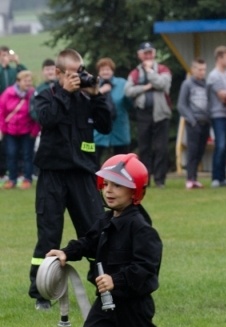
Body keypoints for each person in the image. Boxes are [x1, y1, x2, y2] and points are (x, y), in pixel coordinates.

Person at [45, 154, 210, 327]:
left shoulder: (141, 229)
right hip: (105, 305)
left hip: (133, 308)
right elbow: (89, 242)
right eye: (106, 184)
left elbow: (146, 270)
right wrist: (65, 253)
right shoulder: (107, 220)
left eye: (117, 185)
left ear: (135, 191)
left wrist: (116, 280)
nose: (109, 190)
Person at [29, 48, 111, 310]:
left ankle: (103, 285)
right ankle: (42, 292)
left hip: (83, 175)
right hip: (53, 174)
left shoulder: (87, 99)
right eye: (75, 74)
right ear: (60, 73)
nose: (80, 78)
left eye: (82, 72)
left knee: (97, 231)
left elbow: (106, 125)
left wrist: (97, 95)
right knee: (49, 234)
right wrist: (64, 92)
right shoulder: (46, 96)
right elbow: (46, 119)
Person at [124, 42, 172, 188]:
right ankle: (144, 179)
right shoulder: (135, 73)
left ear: (154, 54)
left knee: (161, 148)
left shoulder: (163, 69)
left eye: (150, 52)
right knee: (144, 148)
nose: (148, 55)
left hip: (161, 114)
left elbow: (163, 85)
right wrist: (145, 87)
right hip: (143, 114)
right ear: (140, 55)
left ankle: (159, 180)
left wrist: (150, 72)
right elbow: (128, 91)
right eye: (145, 53)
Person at [0, 70, 38, 189]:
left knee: (27, 155)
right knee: (11, 154)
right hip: (11, 131)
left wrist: (34, 131)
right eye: (25, 81)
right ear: (18, 81)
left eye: (29, 81)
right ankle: (12, 179)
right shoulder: (8, 93)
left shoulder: (33, 94)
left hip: (27, 131)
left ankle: (27, 178)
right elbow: (1, 111)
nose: (28, 83)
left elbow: (36, 114)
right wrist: (3, 128)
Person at [177, 58, 210, 189]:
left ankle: (195, 178)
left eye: (204, 70)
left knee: (200, 151)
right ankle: (190, 178)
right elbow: (181, 105)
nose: (202, 72)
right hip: (193, 122)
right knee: (193, 151)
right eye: (199, 69)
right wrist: (192, 120)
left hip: (206, 122)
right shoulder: (187, 84)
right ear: (193, 70)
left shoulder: (207, 85)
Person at [93, 58, 132, 164]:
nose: (105, 72)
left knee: (121, 161)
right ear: (99, 72)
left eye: (108, 69)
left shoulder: (123, 84)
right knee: (94, 159)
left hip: (119, 127)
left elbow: (130, 104)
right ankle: (94, 180)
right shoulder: (93, 85)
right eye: (102, 69)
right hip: (99, 129)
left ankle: (118, 181)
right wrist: (100, 91)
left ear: (112, 70)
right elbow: (88, 103)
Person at [207, 46, 226, 188]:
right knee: (221, 145)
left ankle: (223, 177)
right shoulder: (214, 76)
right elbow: (223, 96)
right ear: (219, 58)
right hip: (218, 116)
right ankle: (216, 178)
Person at [0, 46, 25, 182]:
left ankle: (19, 172)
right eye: (3, 55)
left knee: (18, 145)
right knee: (3, 145)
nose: (6, 57)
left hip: (16, 112)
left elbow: (26, 76)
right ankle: (2, 172)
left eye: (7, 55)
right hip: (1, 112)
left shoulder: (13, 70)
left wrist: (17, 62)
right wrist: (2, 66)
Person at [29, 58, 56, 123]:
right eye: (47, 69)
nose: (50, 72)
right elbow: (33, 108)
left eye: (52, 69)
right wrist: (42, 119)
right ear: (43, 71)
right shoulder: (39, 89)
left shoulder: (62, 86)